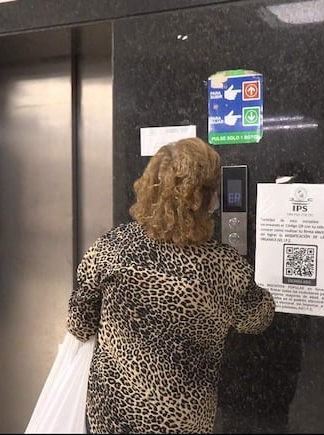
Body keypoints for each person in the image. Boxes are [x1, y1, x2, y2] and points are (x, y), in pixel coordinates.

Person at [66, 137, 275, 434]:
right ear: (204, 198)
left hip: (112, 412)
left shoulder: (112, 247)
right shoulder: (224, 266)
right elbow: (258, 317)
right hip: (182, 418)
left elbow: (79, 325)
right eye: (214, 188)